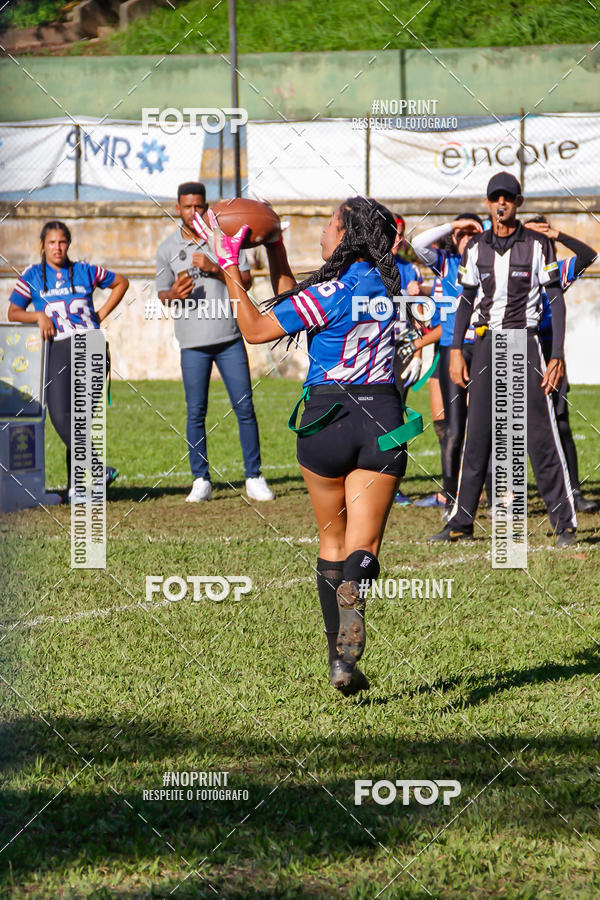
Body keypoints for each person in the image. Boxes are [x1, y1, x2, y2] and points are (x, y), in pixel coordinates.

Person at [193, 197, 417, 695]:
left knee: (331, 544)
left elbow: (255, 329)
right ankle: (352, 622)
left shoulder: (332, 292)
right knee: (364, 547)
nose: (320, 232)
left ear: (346, 235)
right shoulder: (395, 285)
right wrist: (274, 249)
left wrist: (230, 265)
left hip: (326, 418)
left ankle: (337, 654)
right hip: (382, 418)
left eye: (328, 225)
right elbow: (297, 298)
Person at [431, 172, 577, 548]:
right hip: (484, 345)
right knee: (476, 435)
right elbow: (464, 300)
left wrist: (556, 354)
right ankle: (461, 520)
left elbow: (556, 301)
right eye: (495, 198)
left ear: (518, 202)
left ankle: (564, 524)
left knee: (540, 437)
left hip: (525, 344)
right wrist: (453, 353)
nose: (501, 204)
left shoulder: (538, 245)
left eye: (508, 198)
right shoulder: (474, 247)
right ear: (487, 203)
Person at [155, 182, 273, 503]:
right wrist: (172, 294)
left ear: (206, 207)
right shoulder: (167, 248)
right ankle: (201, 480)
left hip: (230, 338)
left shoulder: (224, 238)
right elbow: (162, 292)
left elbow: (245, 281)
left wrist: (217, 267)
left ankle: (254, 476)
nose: (194, 213)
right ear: (177, 208)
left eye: (199, 206)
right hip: (192, 343)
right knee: (196, 412)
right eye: (187, 207)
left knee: (244, 408)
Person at [7, 220, 128, 499]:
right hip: (59, 345)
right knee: (61, 415)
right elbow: (13, 312)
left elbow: (121, 282)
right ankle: (97, 469)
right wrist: (38, 316)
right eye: (52, 242)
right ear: (42, 245)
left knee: (80, 419)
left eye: (62, 242)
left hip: (91, 344)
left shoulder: (84, 270)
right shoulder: (32, 275)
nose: (57, 247)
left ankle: (76, 488)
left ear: (68, 244)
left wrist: (100, 314)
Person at [524, 215, 597, 513]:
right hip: (516, 348)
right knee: (510, 426)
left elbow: (588, 255)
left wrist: (557, 234)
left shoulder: (555, 270)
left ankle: (574, 493)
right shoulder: (506, 265)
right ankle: (505, 498)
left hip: (549, 351)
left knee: (561, 421)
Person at [411, 213, 484, 512]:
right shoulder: (446, 263)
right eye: (460, 234)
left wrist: (483, 232)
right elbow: (418, 243)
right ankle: (450, 495)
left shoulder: (492, 260)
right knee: (453, 431)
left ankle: (491, 495)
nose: (465, 237)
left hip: (482, 349)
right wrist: (453, 226)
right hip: (450, 351)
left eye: (471, 232)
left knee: (486, 425)